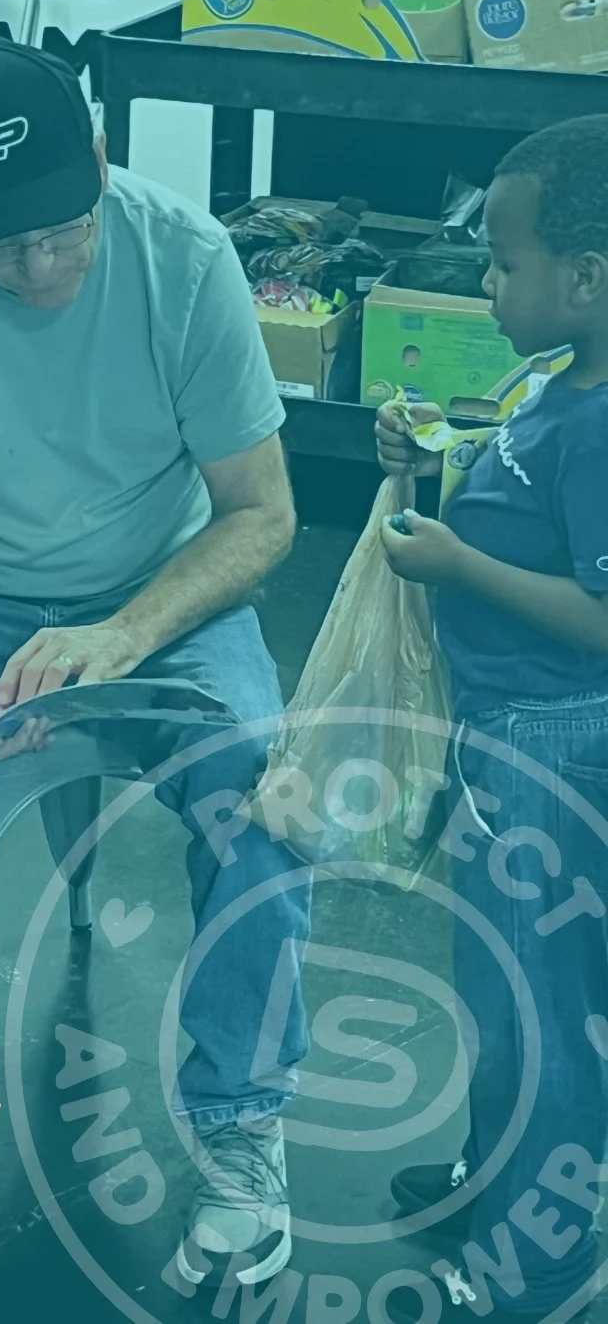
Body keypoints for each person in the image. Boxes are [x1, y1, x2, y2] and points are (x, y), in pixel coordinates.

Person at [0, 39, 309, 1285]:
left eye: (58, 234)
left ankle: (243, 1120)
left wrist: (125, 633)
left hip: (157, 590)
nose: (33, 272)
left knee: (260, 784)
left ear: (100, 160)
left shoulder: (185, 259)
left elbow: (261, 513)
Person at [376, 116, 608, 1323]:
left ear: (587, 277)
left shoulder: (603, 422)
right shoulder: (561, 383)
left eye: (505, 264)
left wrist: (459, 564)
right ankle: (497, 1176)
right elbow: (520, 483)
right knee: (501, 992)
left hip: (549, 741)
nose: (487, 284)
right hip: (508, 730)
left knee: (537, 1010)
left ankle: (540, 1257)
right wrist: (435, 454)